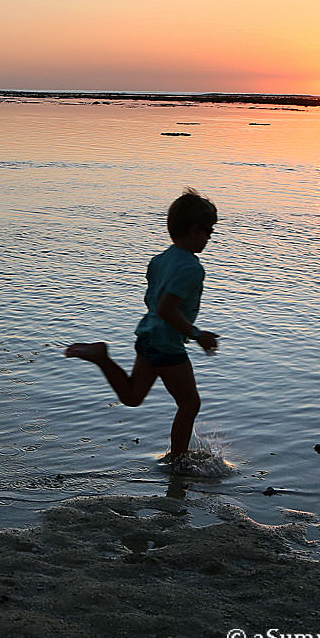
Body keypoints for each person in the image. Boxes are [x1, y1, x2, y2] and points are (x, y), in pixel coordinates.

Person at [64, 188, 219, 468]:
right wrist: (197, 335)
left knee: (133, 396)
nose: (210, 237)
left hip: (147, 335)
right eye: (209, 231)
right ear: (195, 230)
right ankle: (178, 462)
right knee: (189, 404)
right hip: (168, 345)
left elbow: (151, 300)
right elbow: (167, 308)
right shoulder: (192, 268)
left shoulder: (160, 259)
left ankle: (102, 357)